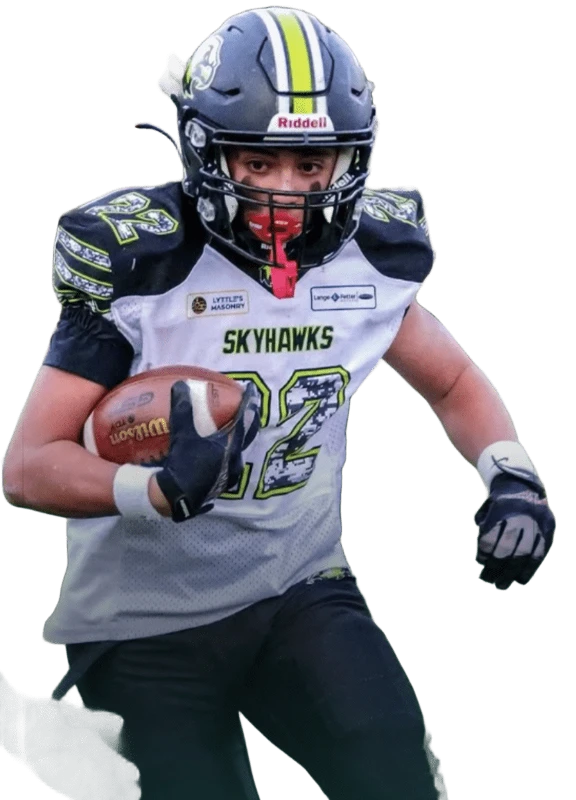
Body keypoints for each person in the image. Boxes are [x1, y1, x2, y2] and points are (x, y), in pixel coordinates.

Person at [1, 7, 555, 800]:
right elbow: (28, 466)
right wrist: (152, 490)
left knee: (401, 784)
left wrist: (510, 475)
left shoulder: (368, 260)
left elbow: (452, 380)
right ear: (205, 150)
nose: (286, 191)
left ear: (347, 161)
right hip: (143, 621)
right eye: (257, 161)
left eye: (310, 163)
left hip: (297, 588)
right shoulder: (148, 264)